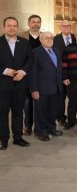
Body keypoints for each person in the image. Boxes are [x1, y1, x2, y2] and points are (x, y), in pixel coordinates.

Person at [0, 17, 32, 150]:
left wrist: (23, 72)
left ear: (17, 27)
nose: (12, 28)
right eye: (9, 25)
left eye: (14, 25)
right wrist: (5, 70)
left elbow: (30, 60)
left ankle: (18, 138)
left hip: (20, 85)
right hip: (3, 85)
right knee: (2, 113)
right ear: (3, 27)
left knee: (18, 112)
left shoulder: (25, 43)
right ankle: (3, 140)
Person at [30, 32, 63, 141]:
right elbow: (32, 72)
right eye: (46, 38)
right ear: (40, 40)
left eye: (50, 38)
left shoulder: (56, 51)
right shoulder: (35, 52)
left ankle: (51, 128)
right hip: (41, 88)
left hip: (55, 87)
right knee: (41, 111)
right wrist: (34, 89)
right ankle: (41, 131)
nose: (49, 40)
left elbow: (58, 70)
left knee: (53, 110)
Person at [19, 14, 42, 136]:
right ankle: (27, 126)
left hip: (41, 74)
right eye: (33, 22)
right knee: (27, 103)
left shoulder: (46, 37)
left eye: (38, 22)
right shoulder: (21, 36)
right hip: (26, 74)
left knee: (40, 102)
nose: (36, 24)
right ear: (29, 24)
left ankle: (40, 126)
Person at [53, 20, 76, 126]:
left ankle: (72, 118)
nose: (66, 27)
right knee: (60, 98)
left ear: (71, 27)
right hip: (59, 73)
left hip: (73, 74)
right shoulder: (54, 40)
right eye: (64, 26)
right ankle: (60, 118)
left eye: (68, 25)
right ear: (60, 27)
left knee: (73, 99)